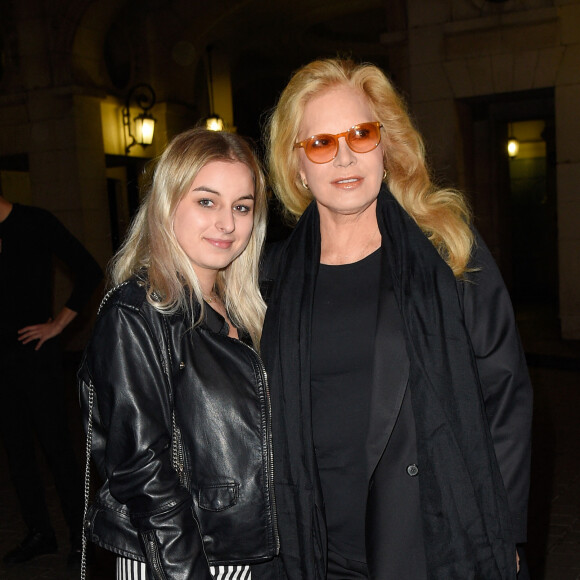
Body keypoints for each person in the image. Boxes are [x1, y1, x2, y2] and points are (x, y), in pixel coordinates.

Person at [257, 58, 533, 580]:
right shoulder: (271, 279)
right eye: (320, 143)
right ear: (296, 164)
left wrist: (505, 531)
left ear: (386, 145)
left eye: (361, 134)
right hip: (312, 548)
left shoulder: (447, 251)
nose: (344, 157)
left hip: (432, 539)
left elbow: (506, 396)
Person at [78, 127, 278, 580]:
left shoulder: (250, 314)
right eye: (206, 201)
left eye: (242, 207)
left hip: (243, 556)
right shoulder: (137, 312)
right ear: (168, 204)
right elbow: (142, 472)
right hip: (174, 560)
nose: (227, 223)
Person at [0, 190, 103, 568]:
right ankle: (39, 533)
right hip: (1, 361)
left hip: (36, 356)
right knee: (17, 451)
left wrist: (57, 324)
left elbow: (90, 270)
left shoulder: (34, 222)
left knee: (56, 448)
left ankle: (82, 538)